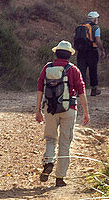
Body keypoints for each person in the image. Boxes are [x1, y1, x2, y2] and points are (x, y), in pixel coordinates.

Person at [36, 41, 90, 187]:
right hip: (69, 109)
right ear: (69, 55)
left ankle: (48, 162)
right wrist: (86, 112)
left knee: (50, 139)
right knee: (65, 142)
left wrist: (38, 110)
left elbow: (40, 88)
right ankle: (60, 178)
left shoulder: (47, 68)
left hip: (50, 109)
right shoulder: (73, 69)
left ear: (56, 53)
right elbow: (81, 91)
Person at [73, 11, 104, 96]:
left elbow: (74, 39)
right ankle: (94, 89)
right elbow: (98, 40)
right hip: (92, 51)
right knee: (93, 70)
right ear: (94, 18)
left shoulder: (79, 26)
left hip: (81, 51)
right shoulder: (95, 27)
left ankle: (79, 91)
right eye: (97, 18)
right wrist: (102, 50)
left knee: (81, 71)